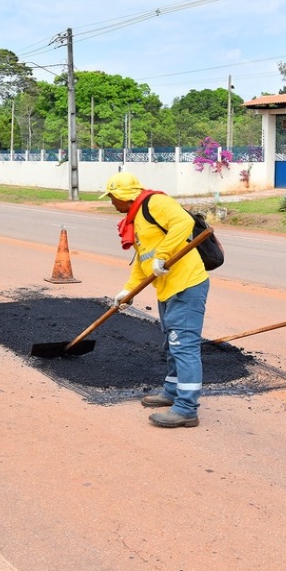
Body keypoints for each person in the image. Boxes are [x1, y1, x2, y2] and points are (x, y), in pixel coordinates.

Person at [102, 171, 210, 428]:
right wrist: (127, 291)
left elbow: (183, 223)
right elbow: (144, 260)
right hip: (166, 288)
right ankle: (172, 392)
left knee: (183, 345)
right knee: (171, 343)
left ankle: (186, 409)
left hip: (186, 285)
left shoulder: (154, 203)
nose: (111, 203)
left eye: (111, 198)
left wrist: (163, 254)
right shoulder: (136, 218)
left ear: (122, 196)